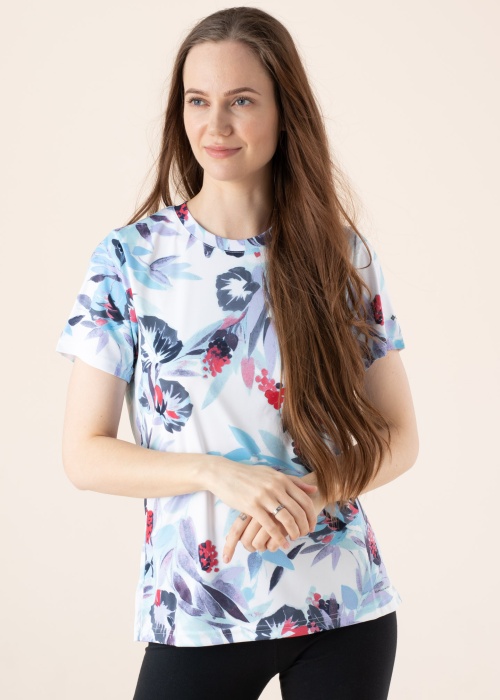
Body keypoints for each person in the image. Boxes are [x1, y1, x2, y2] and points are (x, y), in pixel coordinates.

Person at [55, 6, 418, 699]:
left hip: (342, 604)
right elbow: (84, 454)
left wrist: (315, 492)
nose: (215, 125)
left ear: (285, 113)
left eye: (241, 101)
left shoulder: (341, 255)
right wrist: (218, 474)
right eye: (198, 101)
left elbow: (401, 437)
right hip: (199, 612)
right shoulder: (129, 260)